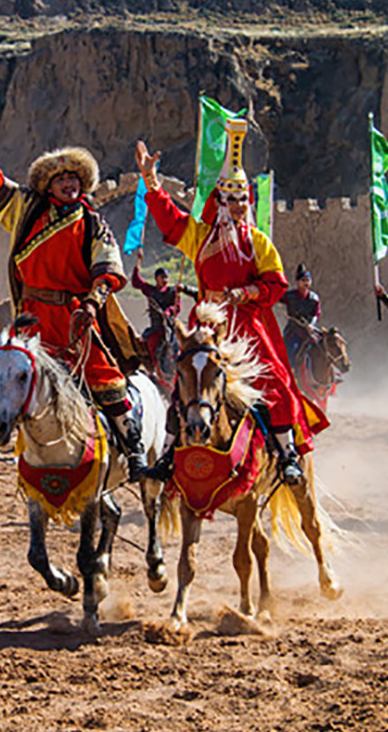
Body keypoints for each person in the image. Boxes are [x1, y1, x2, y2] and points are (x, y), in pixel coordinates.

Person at [135, 118, 328, 485]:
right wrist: (151, 181)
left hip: (249, 326)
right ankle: (168, 454)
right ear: (219, 199)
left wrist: (245, 293)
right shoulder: (201, 237)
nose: (239, 205)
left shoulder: (259, 241)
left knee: (276, 380)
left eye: (244, 199)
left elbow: (275, 283)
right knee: (186, 383)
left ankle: (286, 454)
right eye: (231, 198)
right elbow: (170, 220)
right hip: (209, 324)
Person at [0, 116, 147, 481]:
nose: (68, 183)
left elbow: (108, 269)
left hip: (75, 316)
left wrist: (93, 303)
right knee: (11, 376)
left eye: (74, 179)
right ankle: (6, 432)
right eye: (61, 179)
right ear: (48, 185)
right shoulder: (27, 209)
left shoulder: (93, 223)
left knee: (105, 376)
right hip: (31, 319)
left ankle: (134, 448)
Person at [131, 250, 198, 366]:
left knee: (180, 346)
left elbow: (177, 307)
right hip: (156, 328)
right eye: (163, 277)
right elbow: (136, 282)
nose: (166, 280)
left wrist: (169, 311)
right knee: (151, 344)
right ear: (156, 278)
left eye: (167, 277)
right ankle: (154, 368)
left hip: (170, 327)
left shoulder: (172, 291)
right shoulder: (150, 290)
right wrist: (139, 262)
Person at [281, 263, 322, 366]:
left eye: (308, 280)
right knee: (291, 350)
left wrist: (311, 325)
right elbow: (276, 297)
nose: (306, 283)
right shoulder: (289, 296)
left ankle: (334, 373)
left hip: (310, 330)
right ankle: (291, 371)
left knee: (327, 345)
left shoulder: (314, 298)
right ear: (298, 282)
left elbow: (316, 314)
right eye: (303, 280)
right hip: (294, 330)